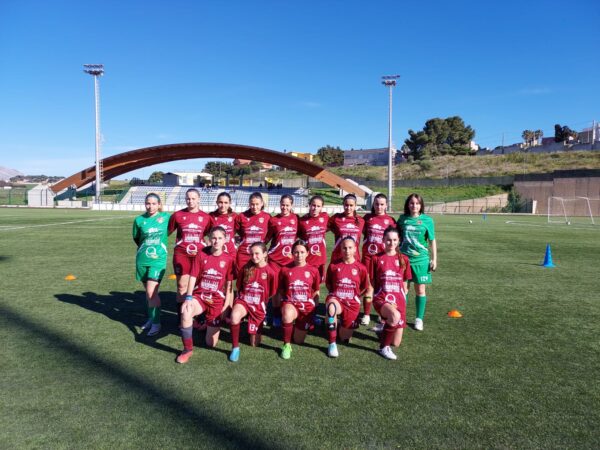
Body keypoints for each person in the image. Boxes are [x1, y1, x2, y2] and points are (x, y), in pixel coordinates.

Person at [176, 226, 235, 364]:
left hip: (216, 300)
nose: (216, 241)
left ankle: (208, 323)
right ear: (209, 239)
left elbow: (229, 286)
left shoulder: (229, 259)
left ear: (225, 240)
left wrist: (227, 306)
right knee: (186, 311)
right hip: (200, 296)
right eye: (213, 238)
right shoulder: (201, 254)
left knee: (211, 343)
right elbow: (193, 277)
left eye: (220, 238)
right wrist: (188, 297)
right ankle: (187, 350)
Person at [229, 242, 278, 362]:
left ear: (265, 254)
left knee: (254, 343)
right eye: (252, 254)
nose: (254, 256)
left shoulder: (271, 272)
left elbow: (272, 292)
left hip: (258, 305)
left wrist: (261, 302)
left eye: (257, 253)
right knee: (234, 316)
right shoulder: (245, 268)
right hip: (244, 301)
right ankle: (235, 348)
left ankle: (251, 323)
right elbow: (239, 287)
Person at [132, 193, 171, 336]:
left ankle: (156, 323)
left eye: (154, 203)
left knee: (151, 292)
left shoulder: (166, 218)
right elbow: (137, 238)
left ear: (159, 204)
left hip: (158, 260)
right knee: (148, 294)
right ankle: (151, 318)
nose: (150, 206)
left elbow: (171, 231)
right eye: (148, 203)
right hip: (142, 259)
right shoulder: (139, 220)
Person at [397, 193, 437, 331]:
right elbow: (396, 238)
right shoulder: (402, 219)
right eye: (412, 203)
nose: (414, 206)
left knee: (420, 290)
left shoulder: (428, 220)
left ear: (421, 205)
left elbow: (432, 240)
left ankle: (419, 319)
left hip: (421, 260)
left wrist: (434, 259)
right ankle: (401, 317)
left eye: (417, 203)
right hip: (404, 259)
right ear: (408, 205)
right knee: (403, 290)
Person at [167, 188, 211, 315]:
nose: (190, 201)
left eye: (193, 198)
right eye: (188, 198)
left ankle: (198, 316)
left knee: (199, 286)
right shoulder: (177, 215)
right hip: (181, 255)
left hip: (200, 256)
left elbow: (210, 235)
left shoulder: (206, 217)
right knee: (181, 287)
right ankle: (181, 317)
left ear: (198, 199)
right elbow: (167, 232)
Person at [325, 236, 370, 358]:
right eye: (344, 248)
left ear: (355, 249)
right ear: (340, 249)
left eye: (350, 248)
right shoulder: (334, 265)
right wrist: (336, 295)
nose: (347, 251)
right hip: (337, 299)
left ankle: (337, 323)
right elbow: (328, 283)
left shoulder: (361, 268)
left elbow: (364, 287)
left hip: (352, 303)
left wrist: (353, 296)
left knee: (344, 337)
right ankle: (332, 343)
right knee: (331, 307)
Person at [371, 226, 412, 360]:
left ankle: (384, 326)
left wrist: (403, 297)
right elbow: (372, 281)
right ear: (383, 240)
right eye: (388, 240)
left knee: (396, 343)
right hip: (382, 298)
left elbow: (405, 281)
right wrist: (375, 297)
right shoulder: (376, 258)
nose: (391, 243)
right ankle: (383, 348)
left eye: (394, 240)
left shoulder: (404, 259)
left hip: (399, 299)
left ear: (399, 240)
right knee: (394, 315)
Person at [278, 240, 321, 360]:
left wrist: (314, 309)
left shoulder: (313, 270)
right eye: (296, 252)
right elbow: (281, 290)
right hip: (291, 303)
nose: (299, 255)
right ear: (292, 253)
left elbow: (316, 291)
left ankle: (297, 326)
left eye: (302, 252)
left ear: (307, 253)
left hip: (306, 307)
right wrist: (286, 302)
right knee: (287, 314)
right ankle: (286, 345)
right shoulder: (285, 269)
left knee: (299, 340)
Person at [360, 193, 396, 326]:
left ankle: (382, 315)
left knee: (382, 287)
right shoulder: (367, 218)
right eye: (376, 204)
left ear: (386, 205)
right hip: (369, 257)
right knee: (369, 287)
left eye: (382, 204)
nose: (379, 207)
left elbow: (395, 239)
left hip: (384, 259)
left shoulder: (390, 220)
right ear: (373, 205)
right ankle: (367, 314)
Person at [266, 194, 299, 327]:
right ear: (280, 204)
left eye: (287, 205)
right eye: (282, 204)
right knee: (276, 289)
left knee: (289, 288)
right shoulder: (273, 220)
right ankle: (275, 315)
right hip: (275, 259)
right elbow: (267, 238)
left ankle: (288, 312)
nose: (284, 207)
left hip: (290, 260)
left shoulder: (296, 219)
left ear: (291, 206)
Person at [234, 192, 271, 272]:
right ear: (249, 204)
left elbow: (270, 233)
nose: (254, 207)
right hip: (244, 253)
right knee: (242, 278)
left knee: (258, 279)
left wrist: (264, 243)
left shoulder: (267, 217)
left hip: (259, 254)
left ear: (262, 204)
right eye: (252, 204)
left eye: (257, 204)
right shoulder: (242, 216)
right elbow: (235, 231)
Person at [328, 193, 365, 263]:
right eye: (346, 205)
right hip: (338, 258)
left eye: (351, 205)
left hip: (354, 258)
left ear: (355, 206)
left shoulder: (361, 220)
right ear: (343, 205)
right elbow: (323, 228)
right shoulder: (336, 218)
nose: (348, 208)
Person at [208, 192, 238, 257]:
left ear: (230, 203)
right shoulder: (211, 216)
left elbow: (241, 231)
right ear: (216, 202)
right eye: (220, 202)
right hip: (215, 251)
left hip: (231, 251)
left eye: (226, 203)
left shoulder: (235, 216)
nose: (223, 205)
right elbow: (207, 232)